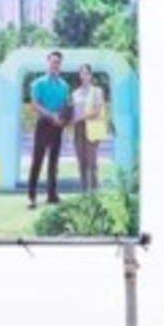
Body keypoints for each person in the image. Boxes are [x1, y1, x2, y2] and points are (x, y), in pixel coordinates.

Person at [27, 49, 71, 208]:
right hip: (43, 125)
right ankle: (31, 197)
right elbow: (35, 104)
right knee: (37, 161)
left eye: (58, 62)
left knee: (54, 162)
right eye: (52, 61)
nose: (55, 64)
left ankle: (52, 195)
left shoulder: (65, 85)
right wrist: (51, 115)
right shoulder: (38, 83)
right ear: (48, 63)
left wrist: (63, 119)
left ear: (60, 65)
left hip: (58, 127)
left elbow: (66, 105)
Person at [71, 62, 108, 195]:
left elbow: (97, 111)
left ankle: (95, 194)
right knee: (82, 163)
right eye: (82, 72)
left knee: (92, 164)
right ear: (79, 75)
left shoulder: (97, 91)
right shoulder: (75, 93)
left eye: (87, 72)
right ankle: (84, 193)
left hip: (92, 129)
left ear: (90, 75)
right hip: (78, 129)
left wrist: (80, 117)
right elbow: (73, 112)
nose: (84, 75)